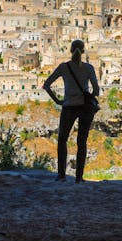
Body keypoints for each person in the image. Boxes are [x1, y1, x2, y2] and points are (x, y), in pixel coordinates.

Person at [42, 40, 100, 182]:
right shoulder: (89, 68)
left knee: (62, 139)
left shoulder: (64, 67)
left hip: (68, 106)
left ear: (70, 50)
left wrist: (58, 100)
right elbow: (96, 90)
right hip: (85, 107)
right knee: (82, 142)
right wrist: (88, 97)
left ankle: (61, 175)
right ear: (83, 51)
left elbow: (47, 85)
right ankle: (79, 177)